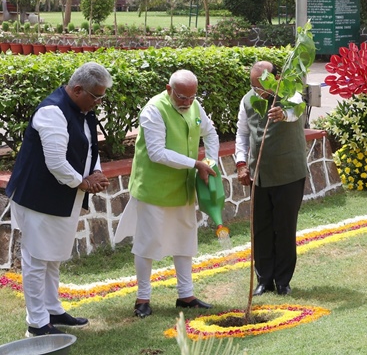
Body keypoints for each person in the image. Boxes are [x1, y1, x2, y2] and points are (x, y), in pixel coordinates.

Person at [6, 62, 113, 337]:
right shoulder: (52, 111)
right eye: (96, 96)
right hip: (36, 197)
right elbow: (56, 162)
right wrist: (84, 182)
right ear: (78, 89)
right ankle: (37, 323)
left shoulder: (82, 108)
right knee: (36, 259)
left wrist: (96, 171)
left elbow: (90, 147)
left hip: (62, 194)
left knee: (52, 258)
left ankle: (53, 309)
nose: (99, 102)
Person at [114, 69, 219, 318]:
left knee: (185, 241)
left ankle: (186, 295)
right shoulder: (153, 109)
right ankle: (143, 298)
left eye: (191, 97)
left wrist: (211, 161)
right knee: (148, 243)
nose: (187, 102)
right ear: (168, 89)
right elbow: (157, 153)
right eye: (182, 97)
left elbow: (211, 133)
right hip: (154, 188)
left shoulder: (194, 105)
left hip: (183, 188)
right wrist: (196, 164)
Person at [235, 61, 308, 296]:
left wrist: (282, 113)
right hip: (259, 176)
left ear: (275, 79)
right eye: (253, 87)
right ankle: (264, 280)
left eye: (262, 87)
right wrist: (241, 164)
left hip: (289, 174)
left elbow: (296, 111)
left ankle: (283, 281)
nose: (258, 92)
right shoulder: (248, 100)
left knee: (284, 229)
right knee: (261, 229)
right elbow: (242, 134)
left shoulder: (291, 93)